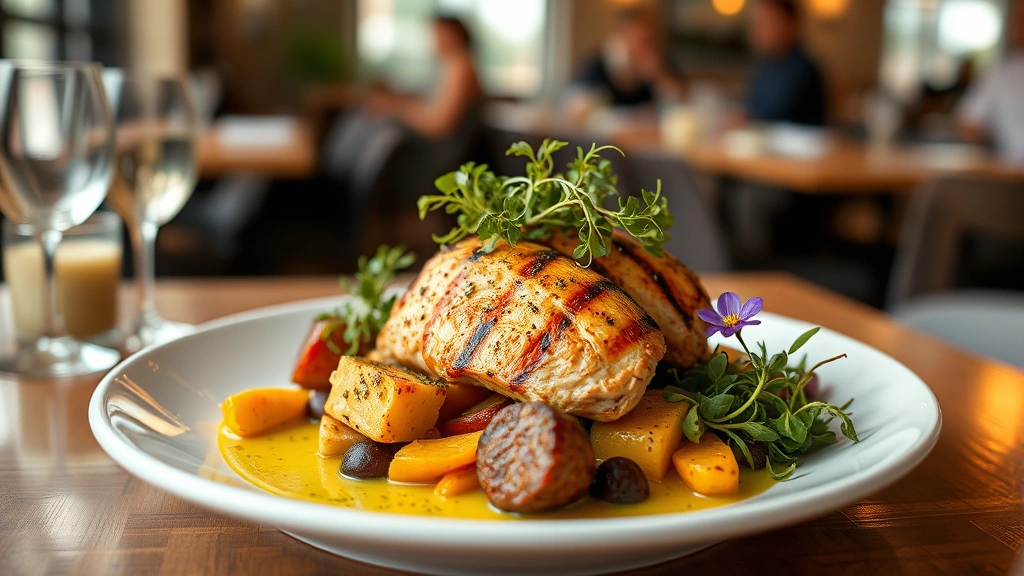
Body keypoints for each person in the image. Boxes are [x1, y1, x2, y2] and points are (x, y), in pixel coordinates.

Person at [565, 7, 686, 123]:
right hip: (604, 141)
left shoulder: (661, 66)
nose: (646, 47)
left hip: (646, 139)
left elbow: (683, 104)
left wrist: (659, 76)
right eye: (641, 40)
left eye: (651, 40)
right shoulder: (596, 64)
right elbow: (575, 109)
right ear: (624, 36)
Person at [957, 0, 1024, 162]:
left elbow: (967, 124)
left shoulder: (1001, 72)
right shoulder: (1001, 72)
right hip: (1010, 177)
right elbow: (967, 123)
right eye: (1019, 17)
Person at [741, 0, 826, 126]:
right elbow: (750, 103)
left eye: (767, 23)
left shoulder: (803, 69)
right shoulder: (766, 66)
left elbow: (776, 114)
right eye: (758, 24)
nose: (757, 32)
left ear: (789, 24)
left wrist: (745, 117)